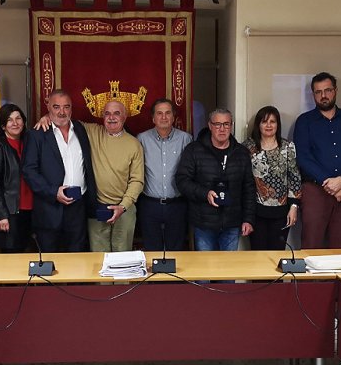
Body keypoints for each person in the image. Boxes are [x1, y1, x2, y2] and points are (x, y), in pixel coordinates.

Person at [293, 72, 341, 249]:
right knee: (311, 245)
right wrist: (330, 184)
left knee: (340, 248)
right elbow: (303, 157)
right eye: (318, 92)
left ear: (335, 91)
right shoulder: (304, 121)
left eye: (327, 90)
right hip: (314, 191)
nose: (323, 95)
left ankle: (336, 278)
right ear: (313, 94)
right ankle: (312, 279)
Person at [22, 89, 96, 252]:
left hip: (78, 206)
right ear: (48, 107)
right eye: (56, 107)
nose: (62, 112)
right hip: (49, 208)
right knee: (50, 259)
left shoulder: (80, 129)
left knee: (77, 259)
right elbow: (29, 171)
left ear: (71, 108)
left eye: (66, 107)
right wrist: (53, 192)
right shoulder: (37, 134)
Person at [175, 108, 255, 251]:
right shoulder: (194, 150)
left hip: (232, 222)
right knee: (206, 269)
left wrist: (248, 219)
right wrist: (205, 193)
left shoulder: (241, 153)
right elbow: (182, 181)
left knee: (228, 270)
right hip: (203, 222)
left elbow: (248, 188)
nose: (222, 129)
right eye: (217, 124)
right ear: (210, 126)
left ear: (231, 126)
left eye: (226, 124)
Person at [83, 100, 144, 252]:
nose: (111, 117)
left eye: (116, 113)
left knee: (122, 256)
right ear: (102, 117)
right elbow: (64, 120)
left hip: (124, 208)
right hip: (98, 207)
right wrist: (46, 117)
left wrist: (123, 206)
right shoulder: (92, 132)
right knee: (99, 257)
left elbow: (137, 180)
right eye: (107, 113)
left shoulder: (134, 144)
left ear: (124, 117)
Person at [242, 105, 301, 250]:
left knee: (277, 254)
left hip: (281, 213)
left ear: (278, 125)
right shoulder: (247, 147)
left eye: (272, 121)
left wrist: (294, 207)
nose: (268, 125)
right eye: (264, 121)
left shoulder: (288, 147)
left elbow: (295, 178)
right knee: (258, 254)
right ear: (258, 125)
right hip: (255, 212)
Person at [137, 99, 192, 251]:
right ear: (153, 118)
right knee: (151, 250)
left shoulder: (186, 139)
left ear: (173, 117)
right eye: (159, 113)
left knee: (176, 250)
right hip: (149, 204)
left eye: (168, 113)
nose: (164, 117)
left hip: (177, 204)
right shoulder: (142, 139)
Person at [0, 103, 32, 253]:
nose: (15, 123)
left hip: (30, 209)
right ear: (2, 125)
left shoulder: (28, 143)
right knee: (12, 258)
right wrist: (2, 215)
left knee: (28, 256)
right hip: (10, 212)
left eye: (18, 118)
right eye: (10, 120)